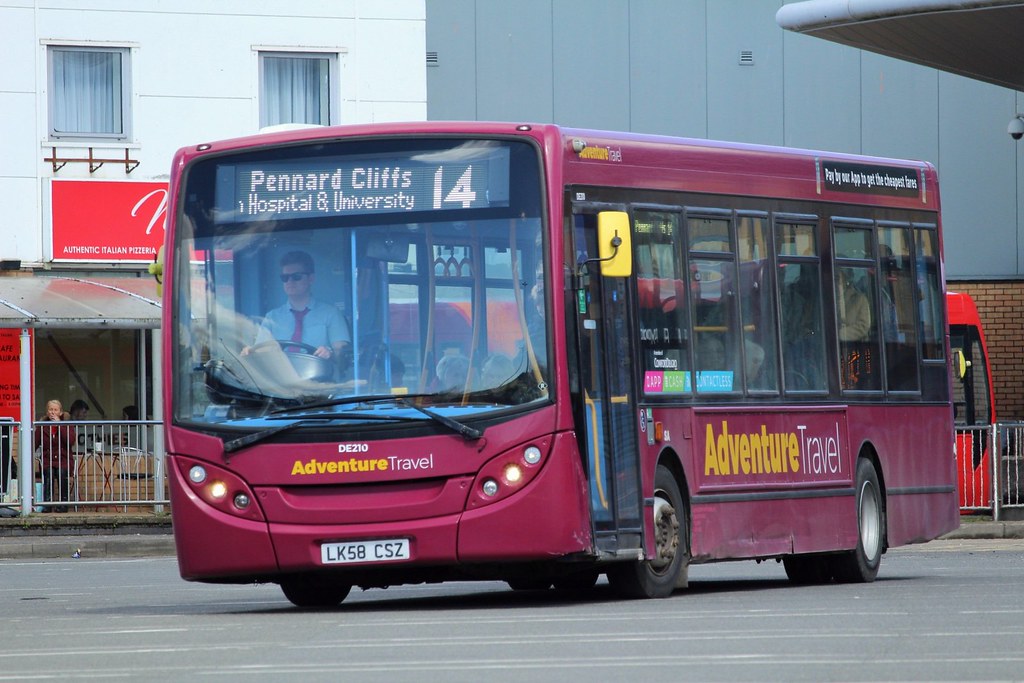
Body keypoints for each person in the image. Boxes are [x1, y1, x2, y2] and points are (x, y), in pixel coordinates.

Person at [243, 250, 350, 369]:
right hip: (281, 382)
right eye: (285, 277)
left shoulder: (331, 313)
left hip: (320, 383)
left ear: (311, 278)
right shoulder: (272, 317)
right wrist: (250, 353)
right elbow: (260, 352)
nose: (290, 282)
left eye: (296, 276)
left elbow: (342, 354)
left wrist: (329, 353)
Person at [33, 399, 74, 512]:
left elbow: (70, 441)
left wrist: (60, 425)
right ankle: (47, 505)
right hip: (48, 460)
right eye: (50, 409)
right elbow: (34, 444)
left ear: (60, 413)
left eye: (55, 410)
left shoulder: (66, 424)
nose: (52, 412)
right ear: (47, 412)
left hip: (63, 460)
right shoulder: (42, 426)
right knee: (49, 473)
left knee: (61, 472)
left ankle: (63, 505)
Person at [837, 269, 871, 341]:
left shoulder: (860, 299)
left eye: (838, 277)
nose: (835, 280)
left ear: (845, 278)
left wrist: (839, 334)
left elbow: (863, 326)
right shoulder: (825, 298)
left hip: (853, 347)